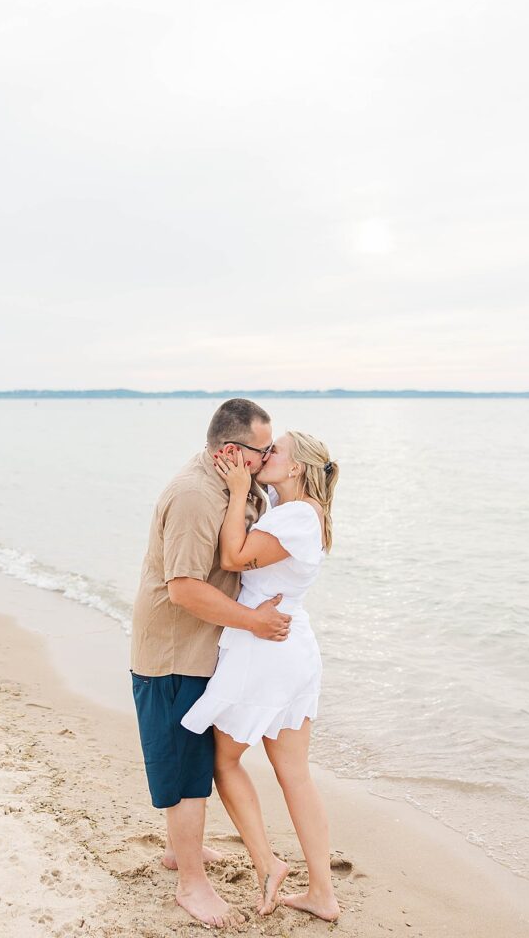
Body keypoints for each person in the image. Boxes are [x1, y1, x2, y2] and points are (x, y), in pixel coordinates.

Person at [130, 398, 293, 929]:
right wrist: (255, 624)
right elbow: (182, 589)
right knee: (184, 768)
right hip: (173, 653)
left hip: (203, 649)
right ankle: (190, 884)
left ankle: (184, 852)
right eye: (262, 450)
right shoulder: (196, 496)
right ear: (231, 450)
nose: (269, 457)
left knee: (195, 758)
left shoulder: (234, 485)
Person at [181, 429, 341, 922]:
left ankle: (268, 864)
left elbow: (232, 557)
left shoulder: (296, 515)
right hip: (288, 646)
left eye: (276, 452)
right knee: (294, 774)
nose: (265, 456)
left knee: (223, 762)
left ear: (296, 468)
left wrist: (233, 493)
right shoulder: (293, 506)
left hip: (265, 650)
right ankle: (322, 894)